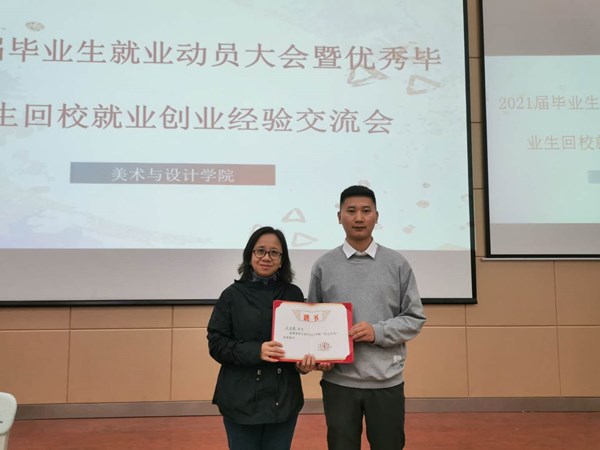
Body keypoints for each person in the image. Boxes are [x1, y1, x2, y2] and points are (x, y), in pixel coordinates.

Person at [308, 185, 426, 450]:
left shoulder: (397, 264)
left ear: (377, 216)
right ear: (339, 216)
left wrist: (377, 332)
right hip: (339, 382)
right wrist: (319, 355)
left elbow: (414, 318)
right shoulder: (324, 265)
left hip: (386, 381)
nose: (359, 218)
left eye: (366, 211)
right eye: (351, 211)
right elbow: (313, 321)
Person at [207, 226, 316, 450]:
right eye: (260, 251)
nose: (267, 257)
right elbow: (216, 344)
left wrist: (302, 364)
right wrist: (256, 351)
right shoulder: (231, 295)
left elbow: (301, 341)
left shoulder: (293, 294)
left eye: (274, 252)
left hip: (283, 399)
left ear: (282, 260)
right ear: (250, 255)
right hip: (240, 400)